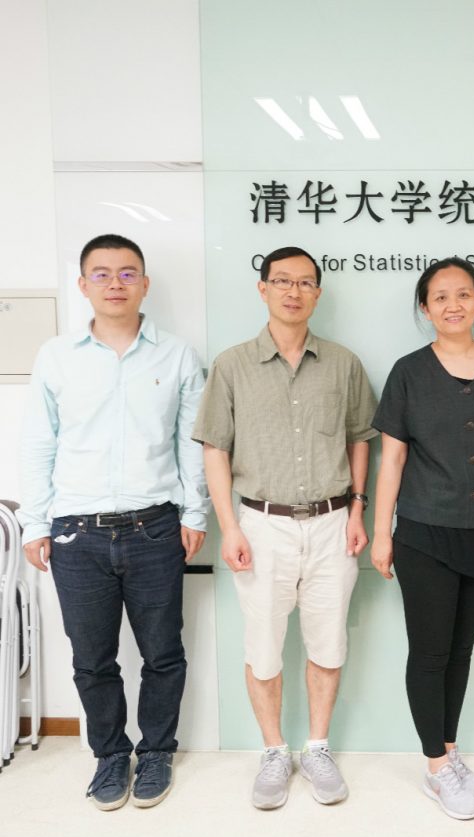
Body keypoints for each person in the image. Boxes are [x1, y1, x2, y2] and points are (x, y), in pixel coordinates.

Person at [18, 233, 208, 810]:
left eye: (128, 273)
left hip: (156, 527)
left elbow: (192, 443)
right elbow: (39, 443)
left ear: (144, 284)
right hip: (76, 533)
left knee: (163, 653)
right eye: (101, 274)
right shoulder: (56, 356)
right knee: (92, 658)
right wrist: (35, 524)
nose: (115, 284)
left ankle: (156, 752)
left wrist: (195, 511)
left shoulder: (177, 355)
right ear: (83, 285)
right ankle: (109, 756)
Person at [192, 246, 377, 810]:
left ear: (318, 293)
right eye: (282, 281)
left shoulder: (343, 363)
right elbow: (215, 450)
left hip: (332, 524)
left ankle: (316, 747)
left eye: (304, 283)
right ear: (263, 289)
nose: (293, 291)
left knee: (328, 641)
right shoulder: (232, 365)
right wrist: (230, 527)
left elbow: (360, 439)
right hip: (260, 524)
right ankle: (274, 751)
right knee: (264, 647)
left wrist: (358, 510)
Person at [370, 256, 474, 821]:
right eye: (440, 297)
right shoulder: (408, 372)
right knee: (431, 652)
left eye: (463, 294)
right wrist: (381, 532)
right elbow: (392, 460)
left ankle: (450, 751)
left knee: (462, 650)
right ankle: (435, 767)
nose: (452, 305)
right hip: (424, 532)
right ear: (425, 308)